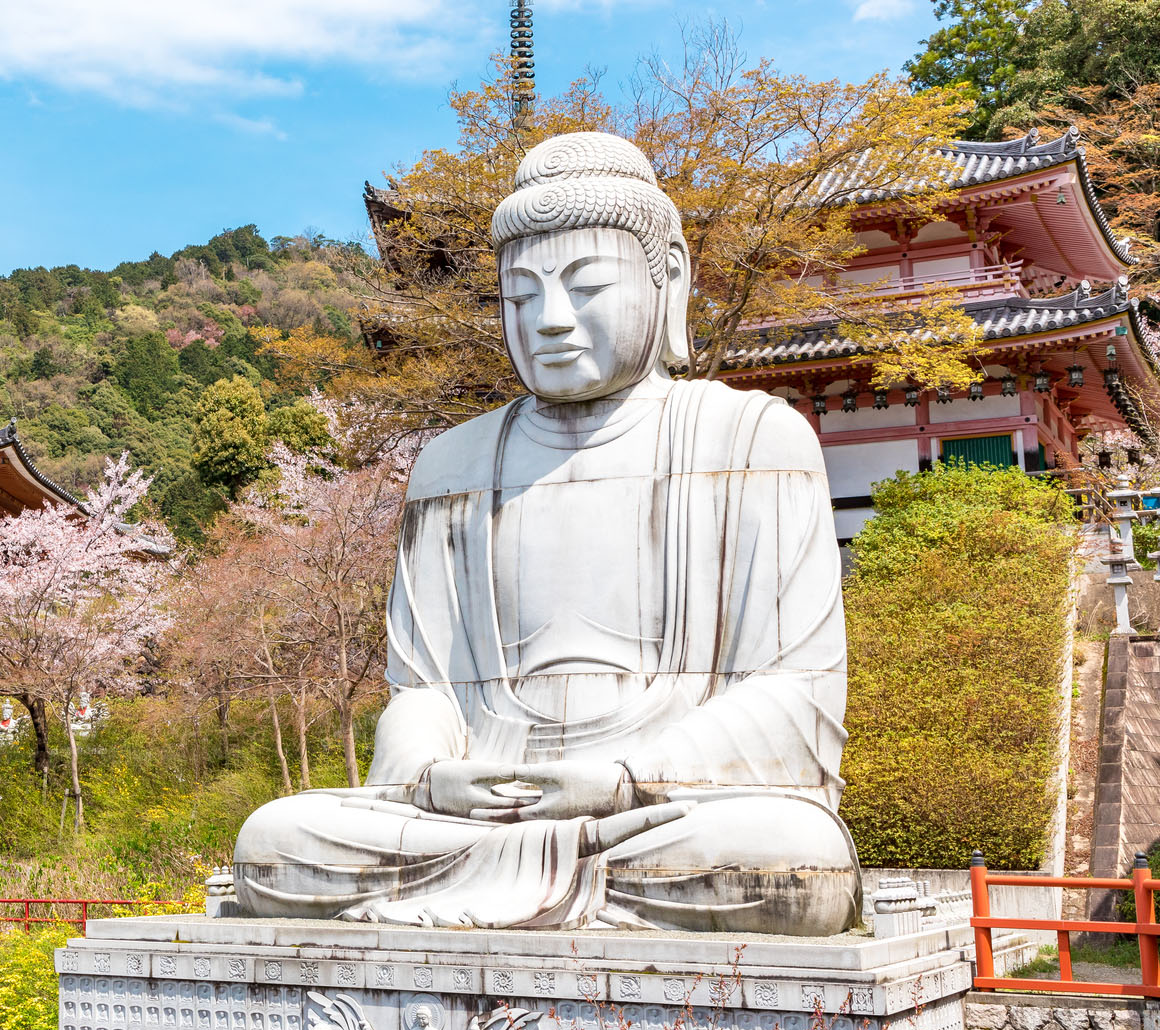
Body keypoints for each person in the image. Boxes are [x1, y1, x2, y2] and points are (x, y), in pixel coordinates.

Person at [231, 132, 859, 935]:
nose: (551, 321)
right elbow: (422, 688)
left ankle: (517, 890)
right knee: (276, 842)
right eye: (520, 296)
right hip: (469, 813)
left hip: (659, 810)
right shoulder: (452, 462)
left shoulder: (750, 439)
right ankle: (543, 892)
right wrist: (431, 778)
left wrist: (631, 777)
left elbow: (792, 691)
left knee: (782, 854)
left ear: (667, 278)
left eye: (587, 286)